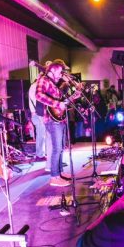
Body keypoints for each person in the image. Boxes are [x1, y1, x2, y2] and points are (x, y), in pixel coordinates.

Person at [36, 59, 77, 187]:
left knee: (60, 148)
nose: (60, 75)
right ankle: (54, 177)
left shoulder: (54, 84)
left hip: (59, 118)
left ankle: (59, 172)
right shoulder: (43, 79)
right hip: (51, 119)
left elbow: (61, 102)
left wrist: (73, 97)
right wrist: (57, 103)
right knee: (56, 148)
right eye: (59, 72)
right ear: (53, 70)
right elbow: (38, 95)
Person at [28, 63, 47, 161]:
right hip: (37, 113)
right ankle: (39, 155)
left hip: (37, 113)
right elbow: (35, 101)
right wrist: (34, 112)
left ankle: (42, 154)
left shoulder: (36, 86)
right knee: (41, 134)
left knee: (42, 134)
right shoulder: (34, 86)